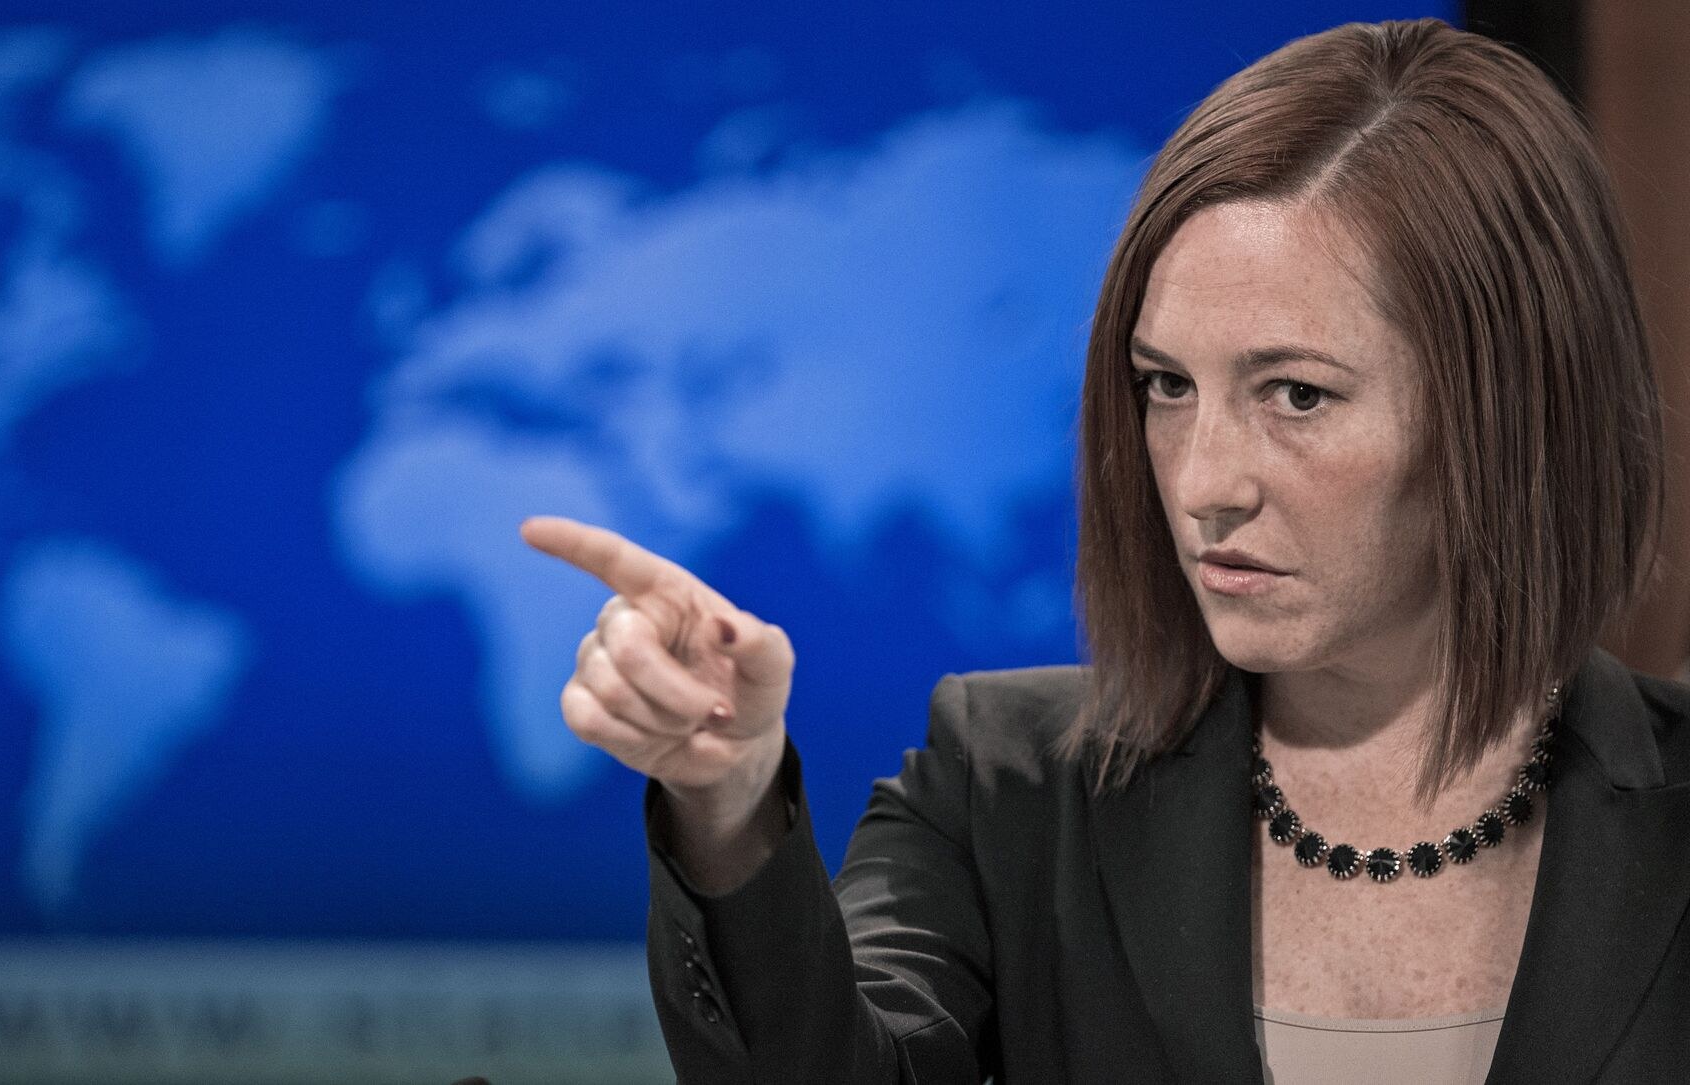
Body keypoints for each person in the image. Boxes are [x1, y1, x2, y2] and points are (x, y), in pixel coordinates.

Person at [521, 18, 1690, 1083]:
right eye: (1166, 385)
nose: (1203, 483)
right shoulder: (1004, 788)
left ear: (1514, 410)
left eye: (1296, 393)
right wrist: (727, 801)